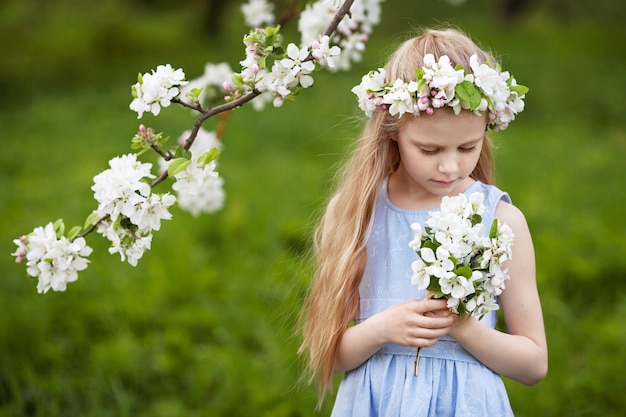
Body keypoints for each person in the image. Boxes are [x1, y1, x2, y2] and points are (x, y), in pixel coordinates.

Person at [298, 28, 548, 416]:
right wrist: (383, 328)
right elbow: (329, 356)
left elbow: (534, 363)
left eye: (468, 147)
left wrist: (464, 328)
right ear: (392, 132)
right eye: (429, 149)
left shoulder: (499, 219)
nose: (450, 166)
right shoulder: (354, 213)